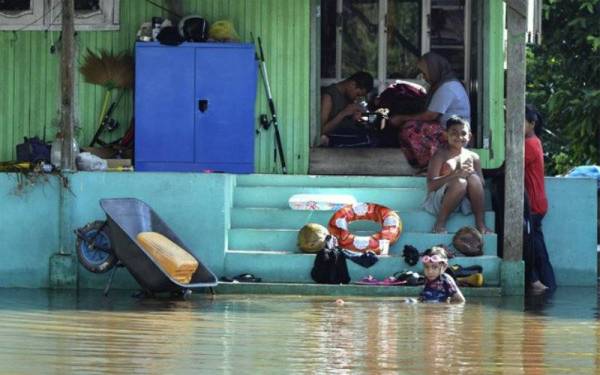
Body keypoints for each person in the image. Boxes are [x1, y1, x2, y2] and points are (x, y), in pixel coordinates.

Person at [422, 115, 491, 234]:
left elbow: (482, 183)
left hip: (464, 203)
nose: (459, 137)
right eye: (454, 133)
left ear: (469, 136)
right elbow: (430, 186)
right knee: (460, 182)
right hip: (440, 202)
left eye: (463, 133)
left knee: (474, 179)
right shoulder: (440, 155)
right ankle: (440, 223)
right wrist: (454, 175)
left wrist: (471, 173)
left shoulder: (474, 157)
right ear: (445, 135)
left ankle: (480, 223)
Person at [388, 52, 470, 129]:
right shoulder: (443, 84)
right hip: (448, 128)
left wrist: (402, 118)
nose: (424, 77)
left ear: (433, 70)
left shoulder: (447, 87)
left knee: (410, 128)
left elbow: (430, 115)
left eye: (424, 73)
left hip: (454, 133)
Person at [524, 104, 556, 292]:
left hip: (533, 204)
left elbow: (508, 167)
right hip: (537, 203)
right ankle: (546, 284)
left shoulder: (529, 144)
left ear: (532, 123)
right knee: (536, 245)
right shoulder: (534, 141)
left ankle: (542, 284)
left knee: (534, 248)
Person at [320, 71, 375, 147]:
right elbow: (321, 130)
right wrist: (344, 113)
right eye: (357, 94)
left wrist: (358, 119)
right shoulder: (329, 96)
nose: (356, 98)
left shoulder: (349, 97)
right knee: (368, 140)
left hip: (346, 135)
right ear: (352, 84)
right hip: (331, 138)